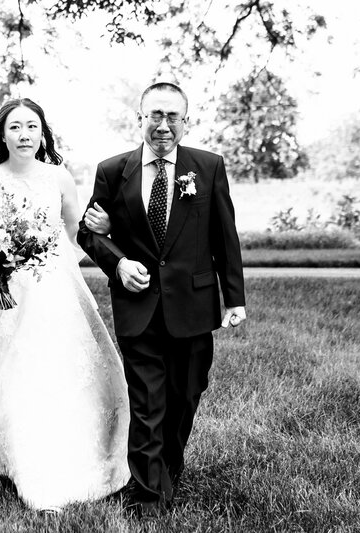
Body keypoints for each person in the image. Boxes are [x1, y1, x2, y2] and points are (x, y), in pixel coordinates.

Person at [0, 98, 131, 511]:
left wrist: (51, 268)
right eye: (15, 127)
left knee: (58, 370)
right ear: (2, 135)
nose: (24, 135)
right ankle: (25, 460)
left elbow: (72, 231)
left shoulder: (59, 178)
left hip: (53, 293)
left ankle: (70, 453)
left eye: (32, 127)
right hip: (3, 296)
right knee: (13, 374)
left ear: (43, 135)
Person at [77, 82, 247, 516]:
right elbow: (88, 232)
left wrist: (235, 297)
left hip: (194, 305)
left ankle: (169, 463)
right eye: (155, 115)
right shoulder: (114, 170)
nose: (163, 125)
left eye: (173, 116)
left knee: (186, 394)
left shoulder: (207, 167)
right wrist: (117, 263)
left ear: (185, 121)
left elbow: (224, 236)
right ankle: (149, 491)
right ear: (140, 118)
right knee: (148, 400)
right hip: (139, 306)